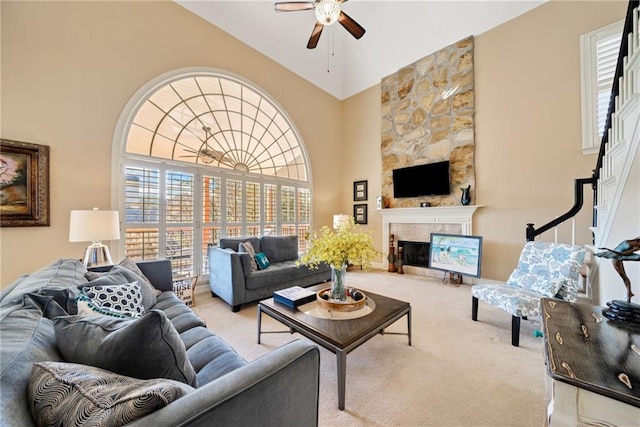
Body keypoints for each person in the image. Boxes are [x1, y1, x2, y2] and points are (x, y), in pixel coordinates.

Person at [595, 237, 640, 303]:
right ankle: (629, 293)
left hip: (616, 258)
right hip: (614, 257)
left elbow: (623, 254)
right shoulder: (635, 240)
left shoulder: (637, 247)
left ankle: (629, 294)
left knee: (624, 277)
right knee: (624, 277)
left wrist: (609, 250)